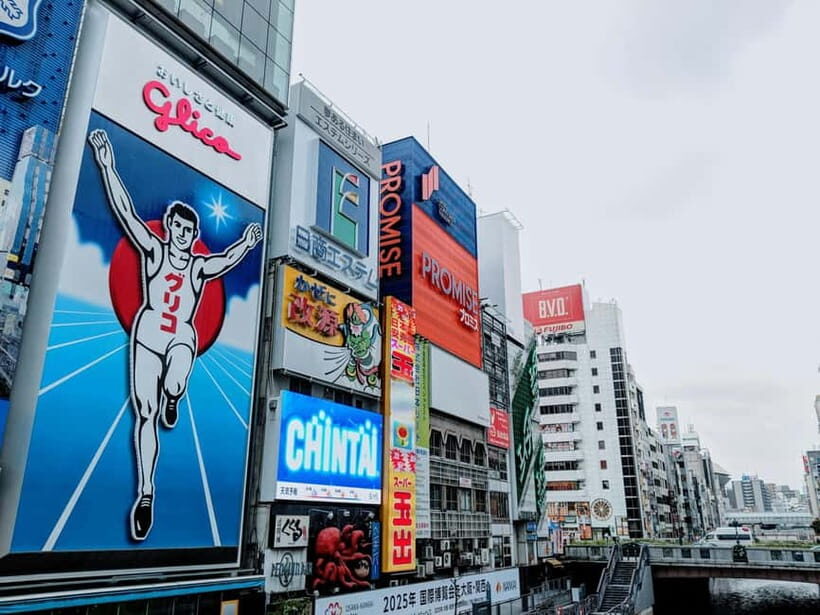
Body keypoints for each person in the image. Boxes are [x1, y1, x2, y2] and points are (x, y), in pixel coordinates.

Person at [88, 129, 262, 540]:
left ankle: (174, 394)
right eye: (177, 227)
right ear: (169, 227)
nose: (182, 234)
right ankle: (146, 493)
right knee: (144, 415)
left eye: (189, 230)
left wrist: (249, 243)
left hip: (181, 334)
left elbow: (226, 259)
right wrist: (107, 164)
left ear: (193, 233)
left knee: (180, 369)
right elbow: (126, 212)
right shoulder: (153, 250)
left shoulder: (198, 267)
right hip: (147, 334)